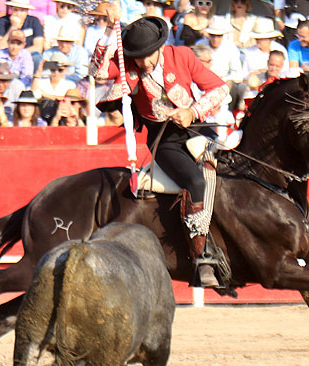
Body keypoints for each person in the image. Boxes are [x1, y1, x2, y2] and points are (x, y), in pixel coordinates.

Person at [90, 5, 230, 287]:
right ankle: (201, 257)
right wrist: (107, 29)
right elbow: (99, 71)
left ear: (160, 47)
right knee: (194, 181)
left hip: (198, 128)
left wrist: (193, 111)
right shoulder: (128, 63)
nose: (144, 64)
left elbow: (220, 88)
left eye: (147, 57)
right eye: (137, 59)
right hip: (163, 140)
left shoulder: (183, 55)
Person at [195, 16, 242, 110]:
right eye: (212, 35)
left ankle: (227, 112)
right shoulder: (200, 44)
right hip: (203, 80)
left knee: (231, 86)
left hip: (224, 81)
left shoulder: (231, 47)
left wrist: (223, 80)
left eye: (219, 35)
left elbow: (238, 74)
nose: (215, 39)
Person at [0, 0, 44, 70]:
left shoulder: (34, 21)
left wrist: (19, 53)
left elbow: (38, 47)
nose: (18, 14)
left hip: (28, 54)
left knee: (36, 57)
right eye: (16, 10)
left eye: (22, 11)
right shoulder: (3, 21)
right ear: (11, 9)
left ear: (27, 11)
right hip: (7, 55)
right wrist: (13, 27)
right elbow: (0, 46)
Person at [241, 17, 288, 84]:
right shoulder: (249, 52)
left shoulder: (280, 49)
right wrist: (259, 73)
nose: (257, 41)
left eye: (260, 39)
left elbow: (285, 70)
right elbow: (244, 75)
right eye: (256, 39)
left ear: (268, 39)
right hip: (253, 83)